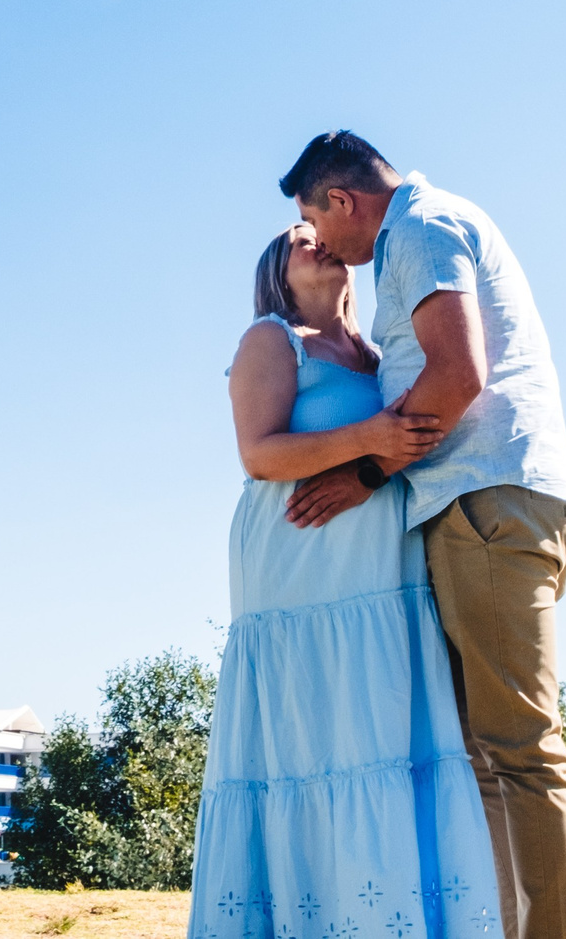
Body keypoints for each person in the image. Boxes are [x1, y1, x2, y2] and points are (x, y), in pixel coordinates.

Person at [279, 132, 566, 939]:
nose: (321, 241)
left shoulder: (415, 229)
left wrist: (366, 473)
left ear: (341, 200)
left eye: (315, 219)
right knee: (487, 751)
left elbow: (456, 374)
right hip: (490, 501)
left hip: (486, 500)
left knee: (519, 748)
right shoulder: (431, 223)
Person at [189, 221, 503, 939]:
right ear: (278, 270)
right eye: (302, 237)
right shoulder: (272, 338)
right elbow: (259, 453)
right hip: (298, 573)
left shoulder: (379, 353)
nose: (320, 239)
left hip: (385, 579)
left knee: (389, 740)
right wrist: (369, 438)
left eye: (324, 230)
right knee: (314, 746)